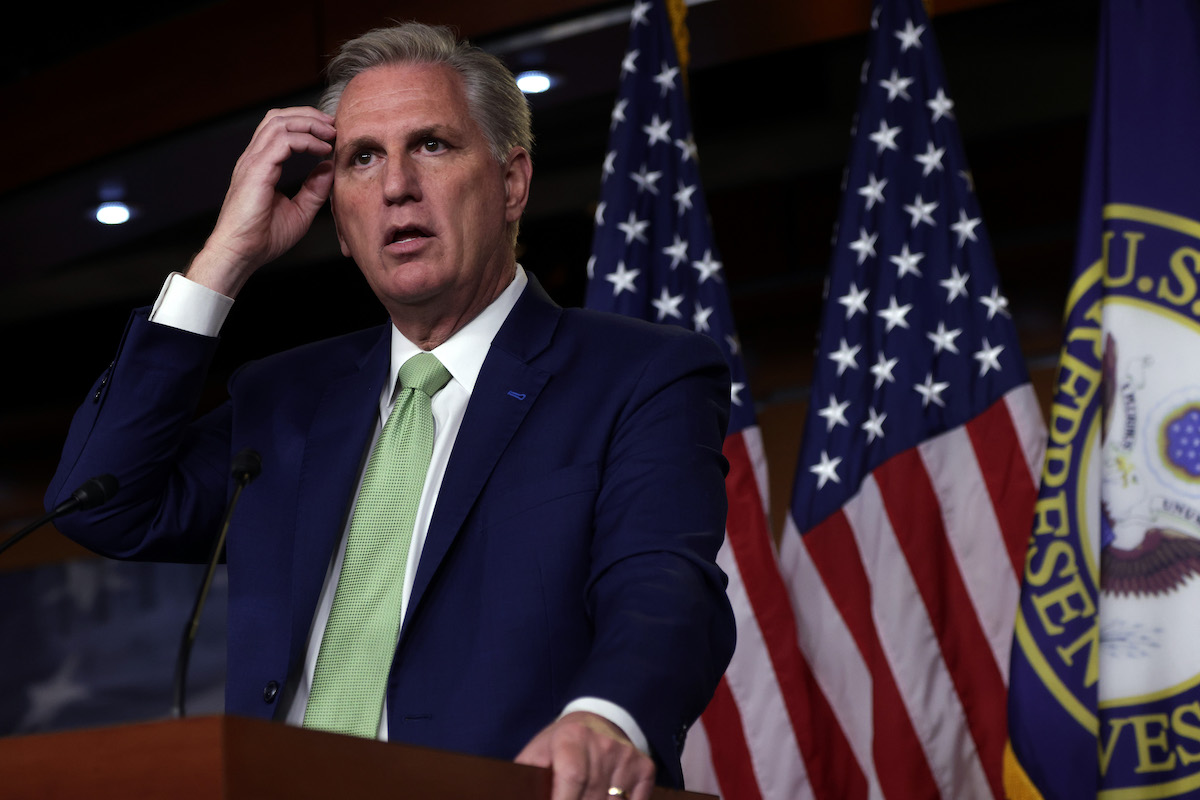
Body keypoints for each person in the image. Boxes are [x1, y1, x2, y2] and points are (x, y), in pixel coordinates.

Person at [46, 22, 734, 800]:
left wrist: (605, 719)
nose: (395, 186)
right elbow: (100, 504)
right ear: (339, 218)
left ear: (511, 182)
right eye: (361, 159)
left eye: (432, 145)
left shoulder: (640, 375)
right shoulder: (284, 399)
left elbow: (664, 586)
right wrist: (225, 256)